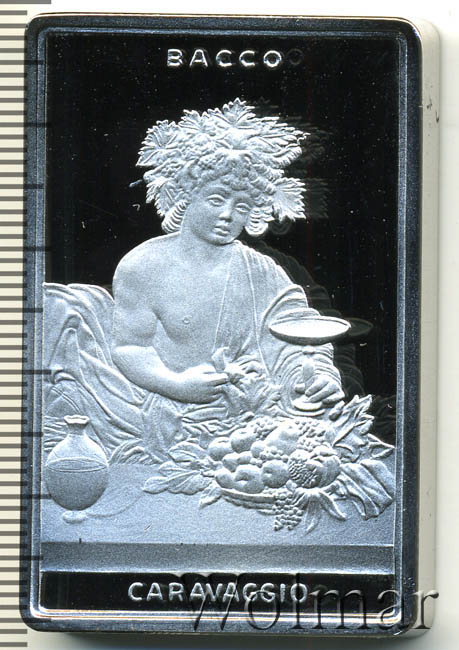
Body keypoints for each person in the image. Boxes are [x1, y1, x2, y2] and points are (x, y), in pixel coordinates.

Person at [111, 99, 344, 421]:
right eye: (216, 199)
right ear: (186, 196)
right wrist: (177, 385)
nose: (227, 215)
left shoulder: (261, 271)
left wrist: (319, 377)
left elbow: (299, 332)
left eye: (242, 206)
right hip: (172, 414)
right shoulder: (143, 266)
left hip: (256, 412)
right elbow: (129, 348)